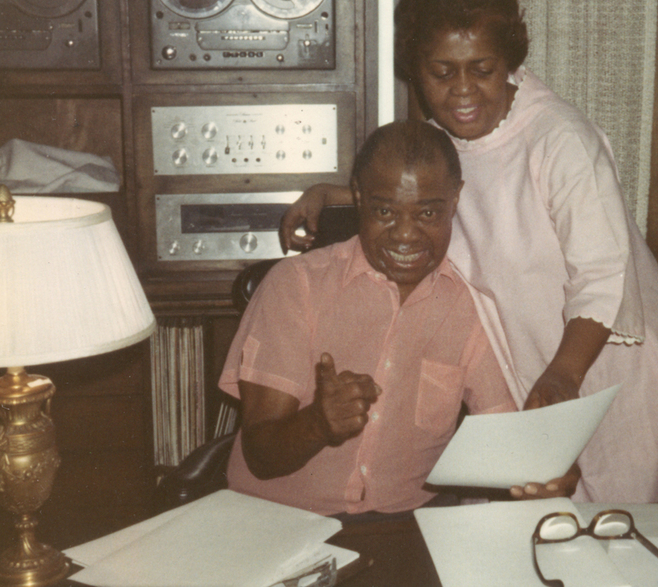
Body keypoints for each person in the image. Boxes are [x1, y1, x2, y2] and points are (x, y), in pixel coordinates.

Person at [280, 0, 658, 503]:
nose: (463, 90)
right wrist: (330, 194)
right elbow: (409, 190)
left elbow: (604, 273)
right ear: (416, 72)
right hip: (528, 358)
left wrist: (564, 373)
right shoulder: (443, 141)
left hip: (608, 361)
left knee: (626, 514)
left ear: (510, 64)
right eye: (442, 73)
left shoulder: (559, 139)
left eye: (483, 69)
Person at [219, 120, 578, 518]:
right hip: (279, 522)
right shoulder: (296, 285)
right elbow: (261, 455)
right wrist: (318, 424)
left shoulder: (472, 304)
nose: (405, 235)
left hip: (401, 529)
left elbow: (505, 434)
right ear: (358, 196)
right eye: (385, 211)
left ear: (455, 200)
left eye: (427, 213)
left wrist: (546, 470)